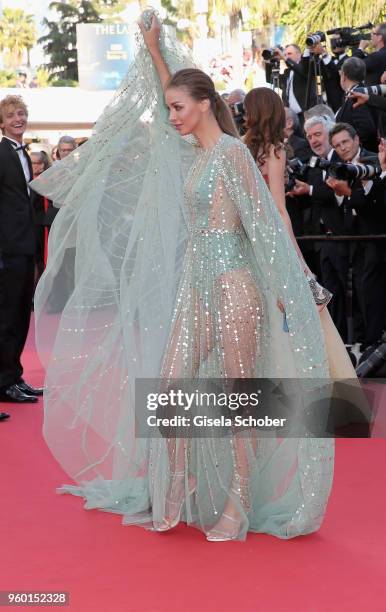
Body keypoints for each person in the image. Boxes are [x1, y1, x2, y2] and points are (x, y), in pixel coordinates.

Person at [31, 13, 356, 542]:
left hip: (234, 287)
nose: (172, 117)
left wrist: (293, 287)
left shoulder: (232, 156)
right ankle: (176, 488)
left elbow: (268, 226)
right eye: (170, 109)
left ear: (205, 105)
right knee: (170, 388)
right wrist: (156, 50)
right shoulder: (195, 155)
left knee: (238, 399)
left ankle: (237, 501)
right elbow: (172, 95)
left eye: (180, 108)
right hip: (195, 288)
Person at [0, 95, 43, 403]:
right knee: (7, 317)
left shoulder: (23, 154)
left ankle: (15, 376)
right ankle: (4, 382)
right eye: (12, 115)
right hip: (8, 248)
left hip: (25, 245)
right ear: (2, 122)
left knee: (20, 314)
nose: (18, 118)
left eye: (22, 113)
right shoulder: (1, 153)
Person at [336, 57, 378, 152]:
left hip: (364, 156)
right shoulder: (362, 92)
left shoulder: (356, 97)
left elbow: (367, 129)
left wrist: (351, 147)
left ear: (344, 75)